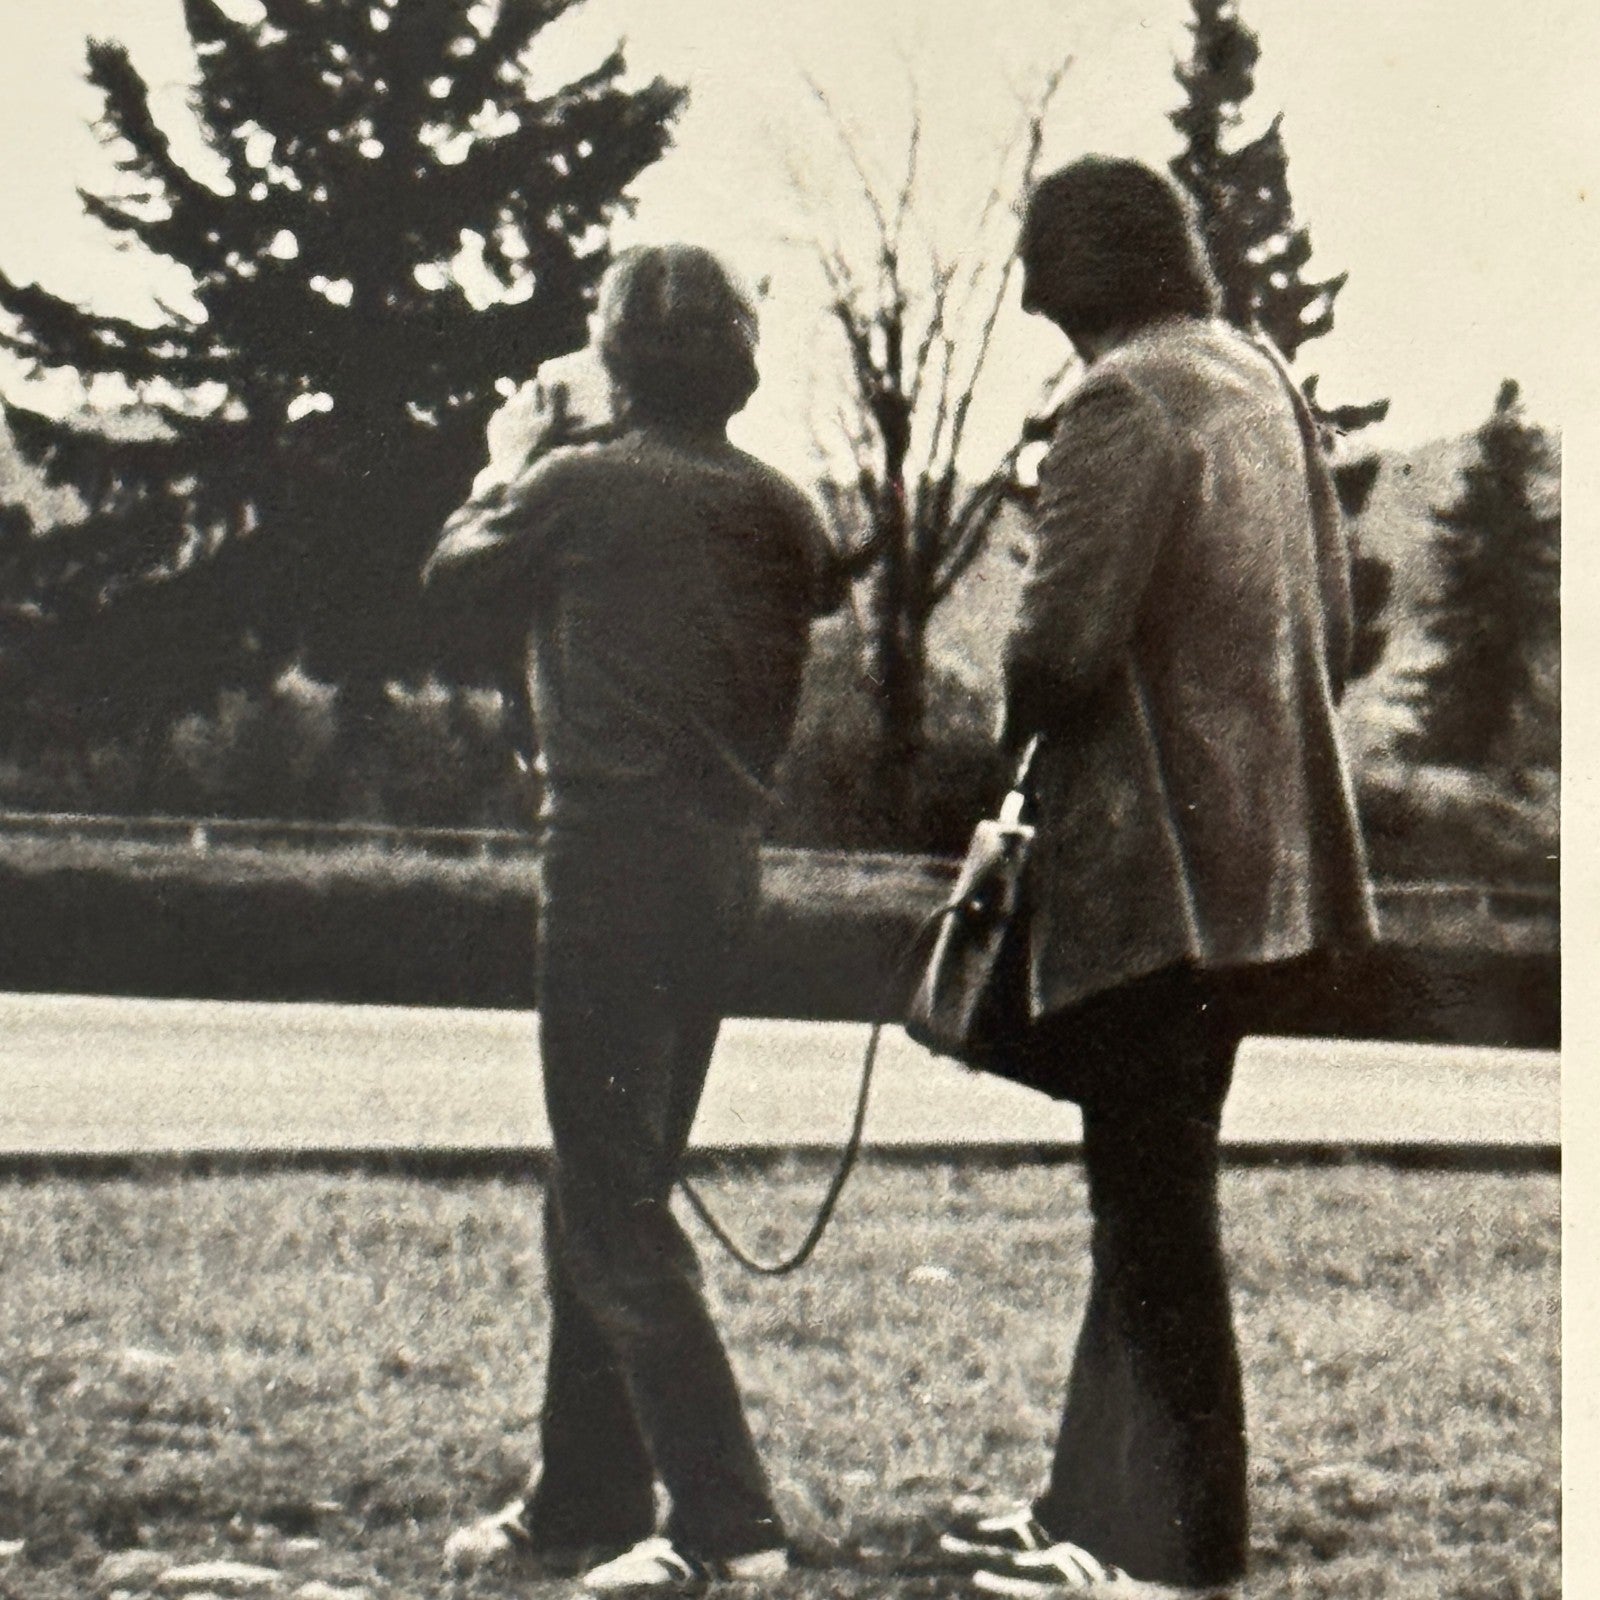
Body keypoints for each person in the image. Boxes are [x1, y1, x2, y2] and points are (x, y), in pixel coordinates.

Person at [936, 158, 1377, 1599]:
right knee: (1144, 1187)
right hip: (1265, 864)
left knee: (1152, 1207)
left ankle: (1176, 1553)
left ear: (1090, 267)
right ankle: (1086, 1510)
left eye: (1035, 259)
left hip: (1157, 869)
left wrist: (996, 770)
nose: (1022, 290)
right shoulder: (1256, 378)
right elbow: (1339, 610)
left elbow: (1056, 651)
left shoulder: (1124, 398)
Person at [427, 243, 840, 1593]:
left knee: (608, 1202)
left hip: (605, 864)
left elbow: (452, 583)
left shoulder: (570, 486)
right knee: (605, 1182)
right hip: (720, 873)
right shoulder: (781, 508)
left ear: (612, 358)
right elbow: (810, 572)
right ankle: (586, 1491)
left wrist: (507, 454)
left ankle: (727, 1522)